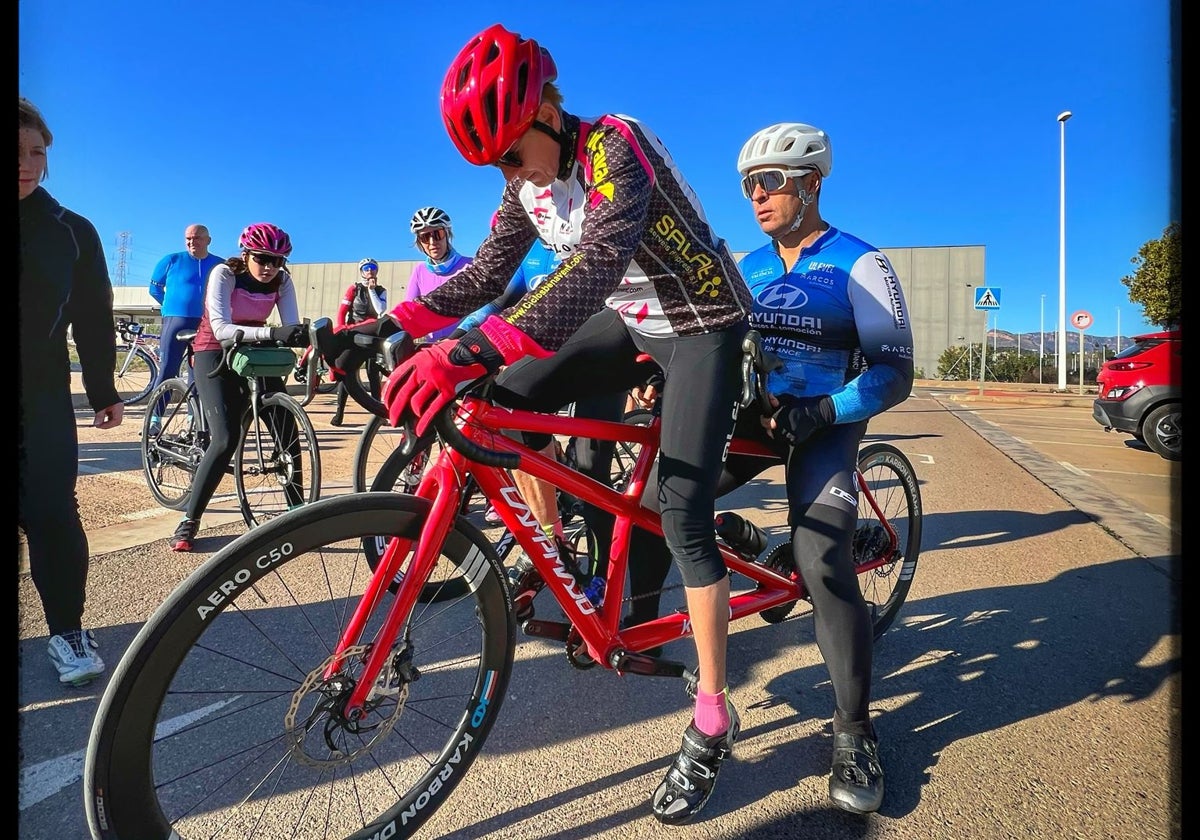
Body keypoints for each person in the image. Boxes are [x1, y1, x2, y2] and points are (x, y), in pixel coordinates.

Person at [371, 24, 754, 824]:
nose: (510, 175)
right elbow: (485, 272)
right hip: (625, 317)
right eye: (496, 166)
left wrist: (465, 349)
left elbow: (595, 267)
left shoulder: (616, 146)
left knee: (680, 512)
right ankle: (567, 564)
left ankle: (714, 713)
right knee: (501, 401)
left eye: (513, 155)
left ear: (549, 108)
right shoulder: (523, 189)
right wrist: (390, 322)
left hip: (697, 320)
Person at [730, 122, 915, 813]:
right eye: (749, 184)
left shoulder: (860, 262)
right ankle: (765, 557)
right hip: (757, 419)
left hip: (826, 424)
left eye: (771, 181)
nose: (757, 195)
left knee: (825, 563)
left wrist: (825, 411)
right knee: (668, 497)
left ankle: (854, 731)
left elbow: (896, 373)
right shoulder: (747, 267)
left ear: (811, 182)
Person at [19, 95, 124, 686]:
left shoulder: (73, 232)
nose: (28, 163)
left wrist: (103, 387)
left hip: (41, 397)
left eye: (37, 151)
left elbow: (93, 315)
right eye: (17, 151)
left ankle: (66, 631)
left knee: (52, 513)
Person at [168, 223, 307, 552]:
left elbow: (290, 325)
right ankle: (189, 521)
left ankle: (298, 512)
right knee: (226, 436)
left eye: (278, 260)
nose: (271, 267)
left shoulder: (282, 280)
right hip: (213, 348)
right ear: (246, 255)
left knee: (286, 429)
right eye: (263, 259)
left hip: (254, 350)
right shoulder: (223, 274)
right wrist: (274, 335)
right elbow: (222, 328)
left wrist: (302, 336)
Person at [146, 224, 224, 434]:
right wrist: (169, 306)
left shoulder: (219, 264)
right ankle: (154, 418)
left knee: (198, 373)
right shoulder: (171, 260)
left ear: (208, 240)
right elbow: (154, 288)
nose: (192, 242)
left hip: (206, 323)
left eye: (197, 238)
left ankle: (194, 418)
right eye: (188, 238)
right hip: (175, 320)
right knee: (168, 369)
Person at [330, 257, 388, 426]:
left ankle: (379, 415)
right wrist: (341, 331)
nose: (369, 270)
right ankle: (339, 413)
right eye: (366, 268)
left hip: (372, 333)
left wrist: (371, 290)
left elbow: (380, 310)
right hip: (354, 333)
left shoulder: (381, 290)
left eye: (372, 268)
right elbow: (342, 312)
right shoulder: (353, 289)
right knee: (347, 373)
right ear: (361, 271)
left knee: (373, 373)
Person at [402, 206, 471, 343]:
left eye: (437, 234)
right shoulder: (419, 271)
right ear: (419, 242)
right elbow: (409, 314)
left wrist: (455, 336)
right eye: (425, 237)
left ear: (447, 234)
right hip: (433, 349)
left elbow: (483, 312)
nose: (432, 242)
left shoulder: (470, 266)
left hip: (466, 346)